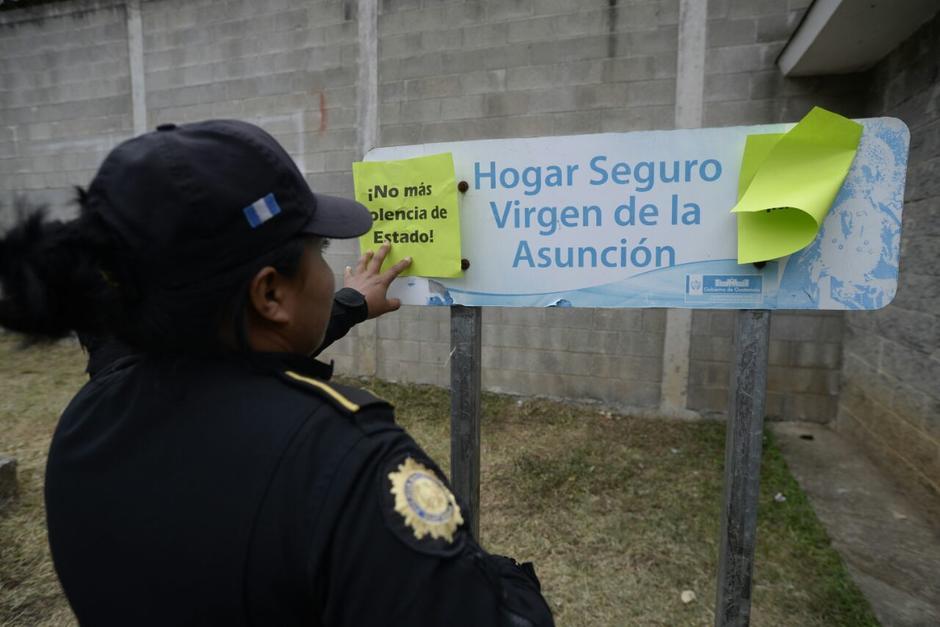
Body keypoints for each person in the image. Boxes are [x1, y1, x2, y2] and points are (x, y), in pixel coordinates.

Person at [0, 120, 554, 626]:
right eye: (319, 249)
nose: (328, 270)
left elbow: (233, 346)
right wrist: (505, 582)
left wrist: (350, 304)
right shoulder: (345, 463)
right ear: (269, 293)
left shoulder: (87, 422)